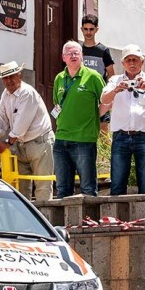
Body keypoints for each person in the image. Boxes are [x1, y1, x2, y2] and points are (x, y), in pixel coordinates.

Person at [100, 45, 145, 195]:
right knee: (117, 184)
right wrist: (116, 90)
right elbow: (104, 99)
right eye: (128, 60)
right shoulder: (115, 80)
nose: (132, 63)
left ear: (142, 62)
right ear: (123, 63)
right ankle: (117, 217)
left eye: (135, 60)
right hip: (120, 136)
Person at [0, 61, 55, 201]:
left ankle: (44, 220)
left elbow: (21, 124)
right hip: (21, 145)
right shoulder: (6, 94)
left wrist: (7, 142)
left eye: (12, 76)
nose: (9, 81)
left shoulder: (27, 92)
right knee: (20, 188)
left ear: (19, 75)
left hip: (39, 142)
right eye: (5, 78)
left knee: (43, 186)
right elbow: (0, 116)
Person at [52, 41, 105, 198]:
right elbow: (57, 104)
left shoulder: (93, 77)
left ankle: (89, 222)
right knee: (62, 190)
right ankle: (63, 224)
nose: (73, 56)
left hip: (84, 140)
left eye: (76, 53)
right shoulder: (59, 78)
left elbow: (108, 101)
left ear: (82, 56)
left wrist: (96, 115)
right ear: (63, 57)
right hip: (61, 140)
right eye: (69, 53)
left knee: (88, 188)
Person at [80, 15, 115, 129]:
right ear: (81, 29)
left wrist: (108, 93)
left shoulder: (103, 51)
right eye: (86, 29)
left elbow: (111, 74)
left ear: (96, 29)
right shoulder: (78, 51)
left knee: (103, 132)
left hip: (100, 97)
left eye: (91, 29)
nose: (88, 32)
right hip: (83, 96)